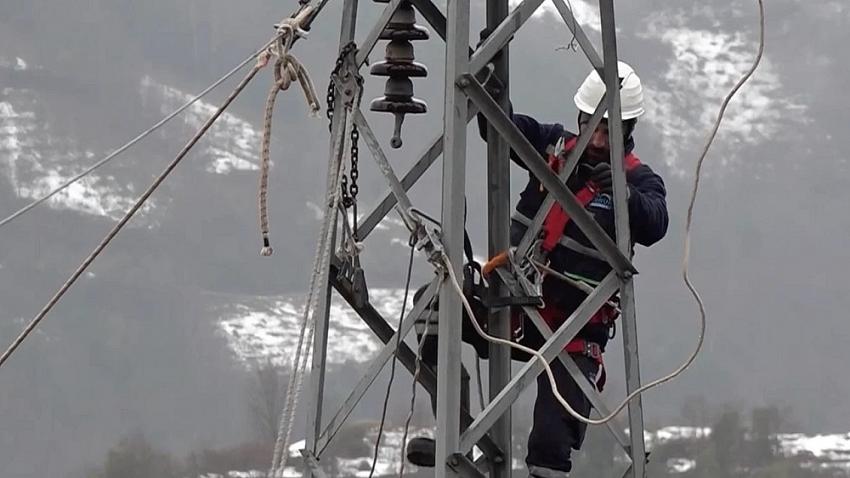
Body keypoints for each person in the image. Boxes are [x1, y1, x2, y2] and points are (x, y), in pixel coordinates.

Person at [406, 61, 669, 477]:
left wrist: (622, 195)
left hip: (575, 330)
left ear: (627, 130)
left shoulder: (638, 180)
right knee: (432, 307)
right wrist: (485, 83)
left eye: (608, 132)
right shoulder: (552, 146)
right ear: (579, 118)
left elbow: (656, 222)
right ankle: (455, 435)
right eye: (591, 127)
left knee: (550, 440)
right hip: (515, 309)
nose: (597, 140)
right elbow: (500, 128)